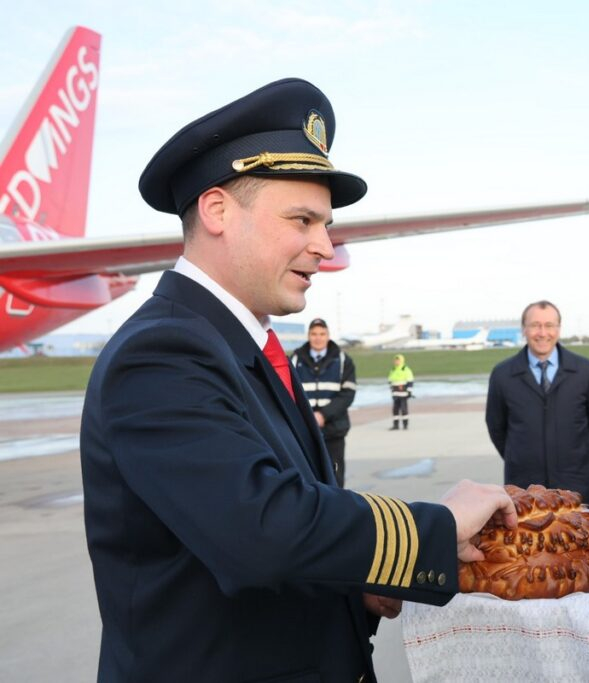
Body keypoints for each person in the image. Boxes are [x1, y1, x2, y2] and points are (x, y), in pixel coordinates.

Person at [79, 78, 515, 683]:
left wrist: (357, 584)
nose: (326, 248)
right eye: (303, 220)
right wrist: (433, 528)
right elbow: (260, 531)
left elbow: (268, 533)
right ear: (217, 211)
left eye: (325, 224)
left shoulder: (235, 346)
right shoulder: (161, 353)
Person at [485, 300, 589, 510]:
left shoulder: (585, 371)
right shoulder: (503, 375)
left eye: (549, 325)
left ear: (558, 329)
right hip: (524, 487)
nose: (542, 333)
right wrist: (522, 457)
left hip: (575, 482)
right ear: (524, 329)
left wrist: (575, 454)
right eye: (535, 325)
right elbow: (497, 427)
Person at [291, 318, 356, 486]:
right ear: (308, 336)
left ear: (328, 336)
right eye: (314, 334)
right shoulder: (295, 360)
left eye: (322, 334)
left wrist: (323, 415)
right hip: (305, 431)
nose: (318, 338)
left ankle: (337, 504)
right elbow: (289, 393)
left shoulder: (343, 360)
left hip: (334, 430)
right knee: (309, 478)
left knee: (335, 477)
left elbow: (347, 394)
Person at [388, 353, 414, 430]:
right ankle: (395, 425)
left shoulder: (405, 369)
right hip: (395, 393)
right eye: (395, 360)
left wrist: (409, 391)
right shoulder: (393, 369)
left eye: (398, 360)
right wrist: (392, 390)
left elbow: (410, 381)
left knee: (404, 409)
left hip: (403, 393)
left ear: (401, 361)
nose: (396, 362)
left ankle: (405, 425)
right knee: (395, 409)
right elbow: (390, 381)